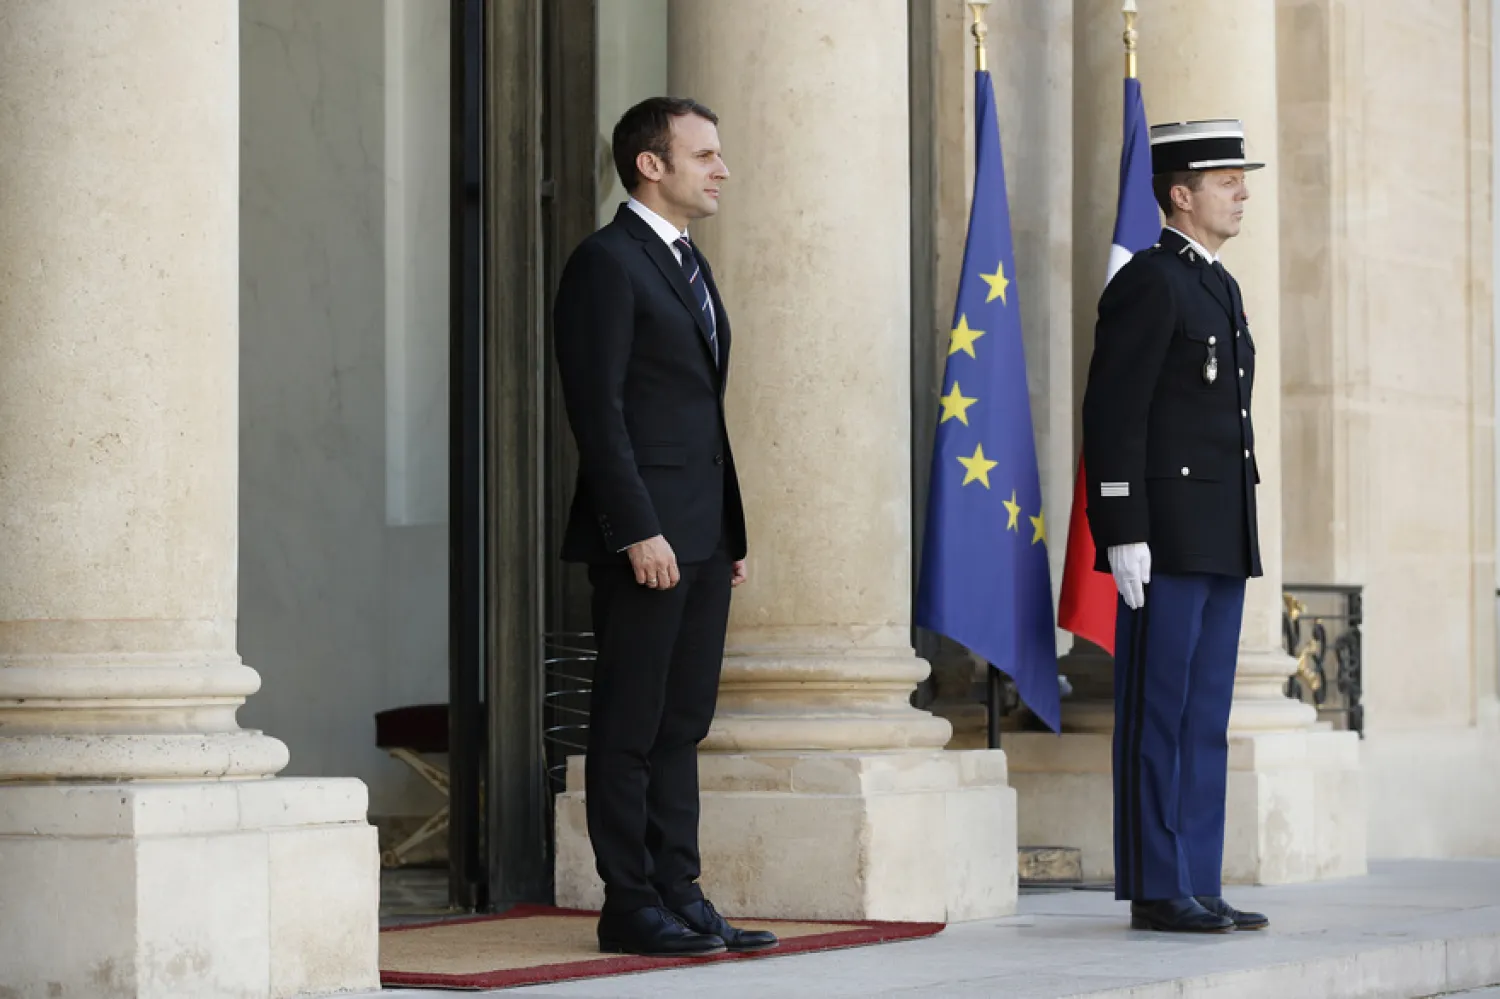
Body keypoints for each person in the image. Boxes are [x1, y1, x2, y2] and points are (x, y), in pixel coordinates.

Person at [552, 96, 776, 958]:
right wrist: (636, 527)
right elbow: (598, 411)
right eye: (705, 154)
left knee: (682, 721)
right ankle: (629, 901)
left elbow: (696, 414)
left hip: (702, 536)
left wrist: (728, 532)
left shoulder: (687, 263)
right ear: (652, 163)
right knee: (630, 721)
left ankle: (679, 887)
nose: (721, 169)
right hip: (645, 538)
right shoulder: (607, 263)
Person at [1080, 119, 1272, 934]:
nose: (1242, 191)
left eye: (1241, 177)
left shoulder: (1217, 285)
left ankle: (1198, 873)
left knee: (1204, 714)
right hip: (1160, 536)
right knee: (1159, 709)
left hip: (1217, 531)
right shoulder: (1150, 281)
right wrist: (1120, 525)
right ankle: (1160, 886)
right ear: (1180, 193)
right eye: (1226, 179)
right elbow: (1114, 412)